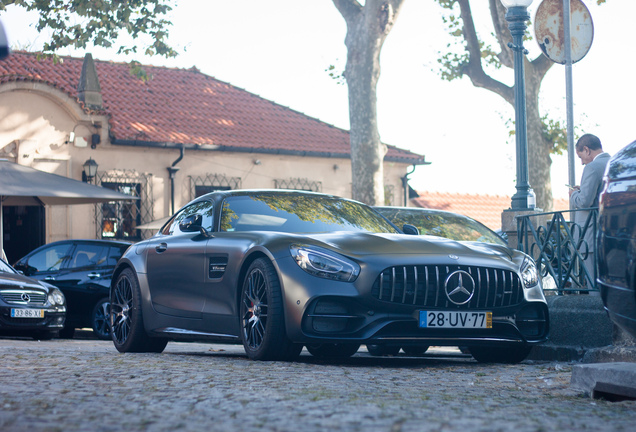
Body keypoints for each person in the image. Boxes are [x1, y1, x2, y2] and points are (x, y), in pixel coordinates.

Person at [569, 133, 611, 286]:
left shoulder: (592, 167)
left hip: (590, 235)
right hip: (609, 232)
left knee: (593, 282)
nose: (581, 162)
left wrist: (574, 194)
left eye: (580, 156)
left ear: (586, 149)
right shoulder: (614, 163)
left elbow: (584, 202)